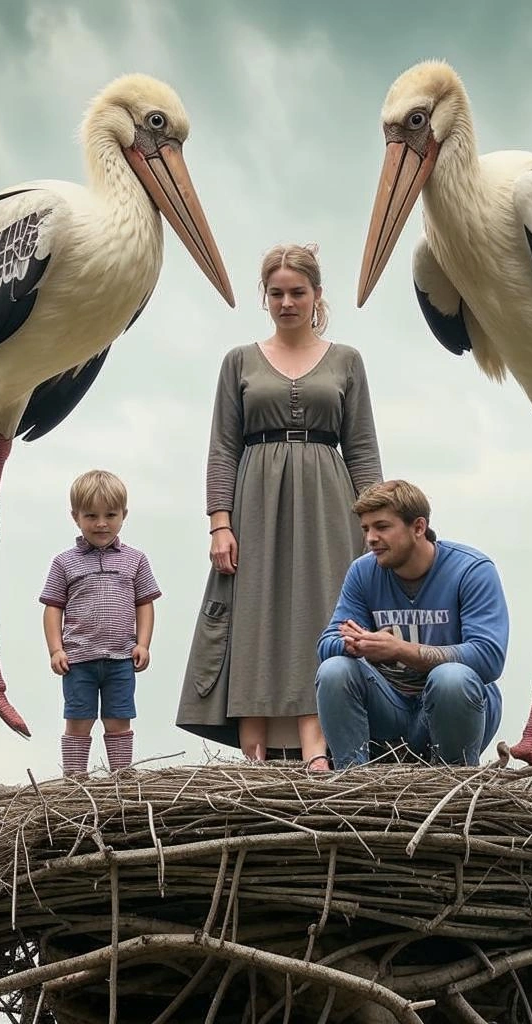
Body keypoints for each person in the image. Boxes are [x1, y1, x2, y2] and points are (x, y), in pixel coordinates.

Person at [177, 243, 383, 768]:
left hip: (329, 502)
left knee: (324, 611)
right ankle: (255, 750)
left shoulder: (348, 360)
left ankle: (318, 747)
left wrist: (376, 526)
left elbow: (362, 449)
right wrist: (219, 524)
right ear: (264, 298)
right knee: (254, 613)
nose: (287, 302)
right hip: (254, 502)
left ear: (317, 295)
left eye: (297, 292)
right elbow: (223, 447)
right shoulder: (238, 361)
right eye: (276, 293)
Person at [315, 479, 508, 770]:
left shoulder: (472, 570)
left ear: (418, 527)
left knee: (451, 679)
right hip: (389, 709)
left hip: (450, 710)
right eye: (366, 529)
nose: (371, 538)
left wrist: (400, 650)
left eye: (382, 527)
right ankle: (352, 777)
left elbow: (488, 657)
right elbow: (328, 643)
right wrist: (355, 645)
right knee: (334, 670)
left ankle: (452, 777)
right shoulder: (362, 572)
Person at [39, 469, 161, 775]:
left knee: (119, 720)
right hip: (78, 660)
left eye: (110, 515)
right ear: (76, 517)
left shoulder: (136, 560)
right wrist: (56, 650)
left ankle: (121, 779)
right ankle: (75, 782)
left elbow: (144, 603)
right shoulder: (64, 562)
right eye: (91, 516)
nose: (101, 523)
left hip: (121, 659)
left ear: (124, 515)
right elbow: (53, 608)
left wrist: (143, 644)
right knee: (78, 721)